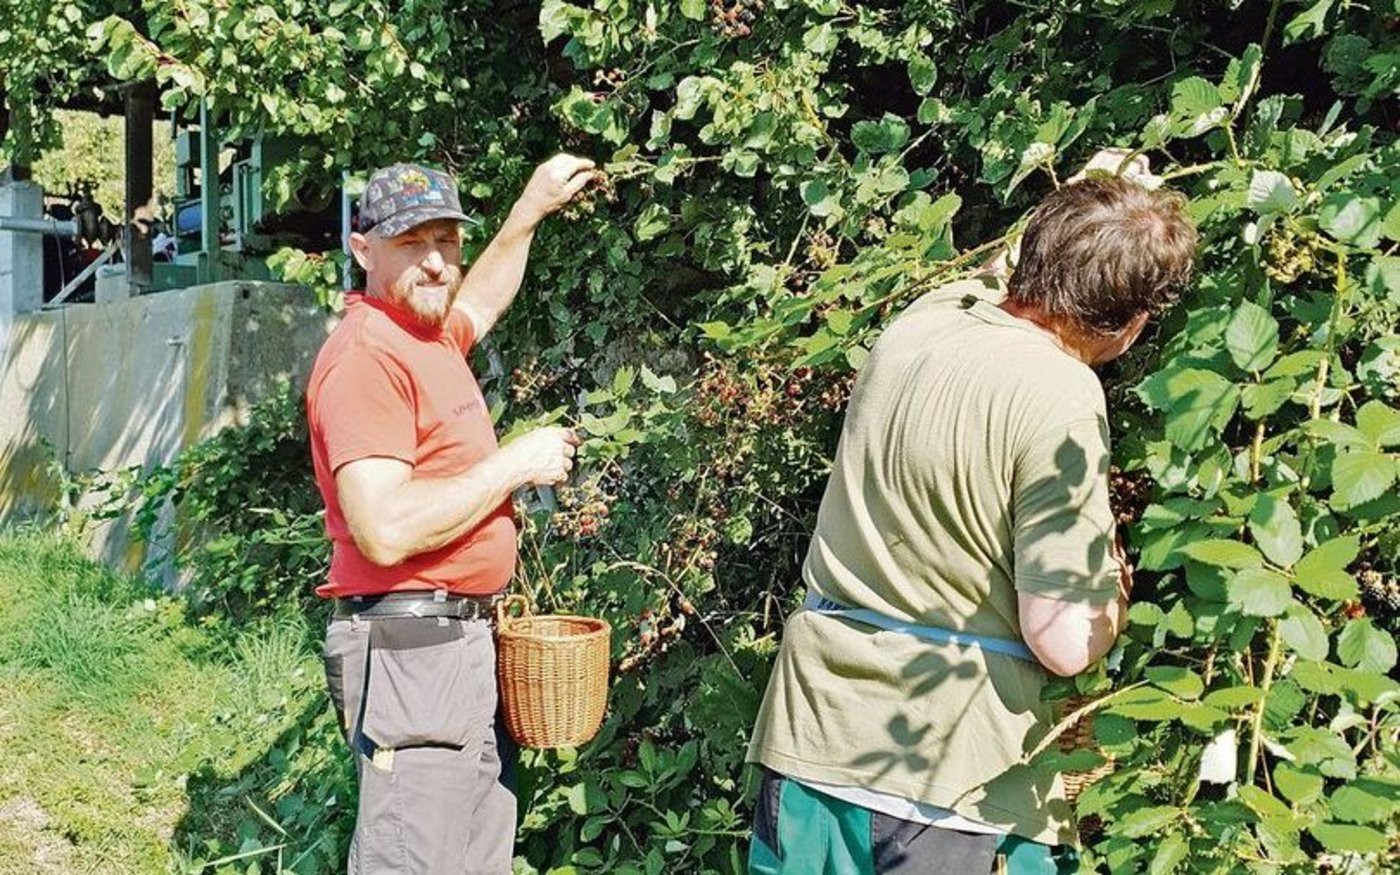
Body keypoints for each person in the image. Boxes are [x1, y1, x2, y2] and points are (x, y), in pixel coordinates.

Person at [745, 151, 1196, 874]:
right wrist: (1111, 595)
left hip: (812, 738)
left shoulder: (924, 322)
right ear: (1131, 324)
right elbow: (1061, 639)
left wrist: (1089, 201)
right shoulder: (1061, 394)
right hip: (947, 783)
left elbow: (999, 273)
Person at [306, 156, 594, 874]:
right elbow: (384, 528)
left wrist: (529, 208)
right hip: (412, 651)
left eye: (447, 241)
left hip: (457, 645)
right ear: (363, 249)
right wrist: (514, 465)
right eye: (412, 243)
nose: (436, 262)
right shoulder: (366, 358)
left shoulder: (427, 336)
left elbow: (483, 300)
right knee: (415, 860)